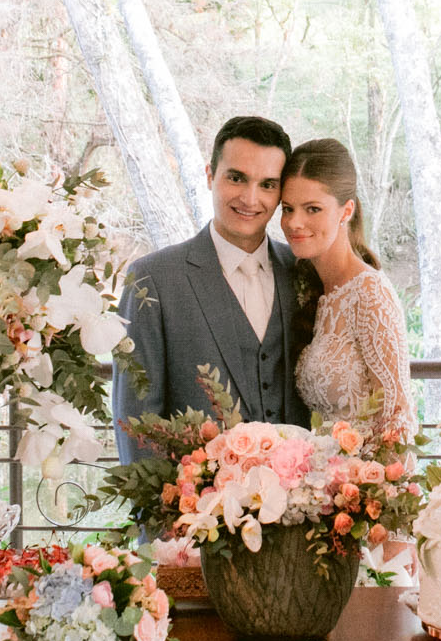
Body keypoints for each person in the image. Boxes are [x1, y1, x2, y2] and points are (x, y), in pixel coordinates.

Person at [111, 116, 315, 462]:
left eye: (267, 184)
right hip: (191, 512)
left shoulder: (303, 272)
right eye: (236, 178)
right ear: (210, 175)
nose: (250, 198)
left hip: (305, 507)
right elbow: (136, 427)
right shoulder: (152, 280)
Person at [284, 138, 417, 446]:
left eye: (312, 209)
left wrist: (371, 490)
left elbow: (398, 419)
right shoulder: (307, 286)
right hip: (317, 483)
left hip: (365, 486)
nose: (294, 222)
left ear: (346, 211)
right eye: (287, 208)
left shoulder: (370, 293)